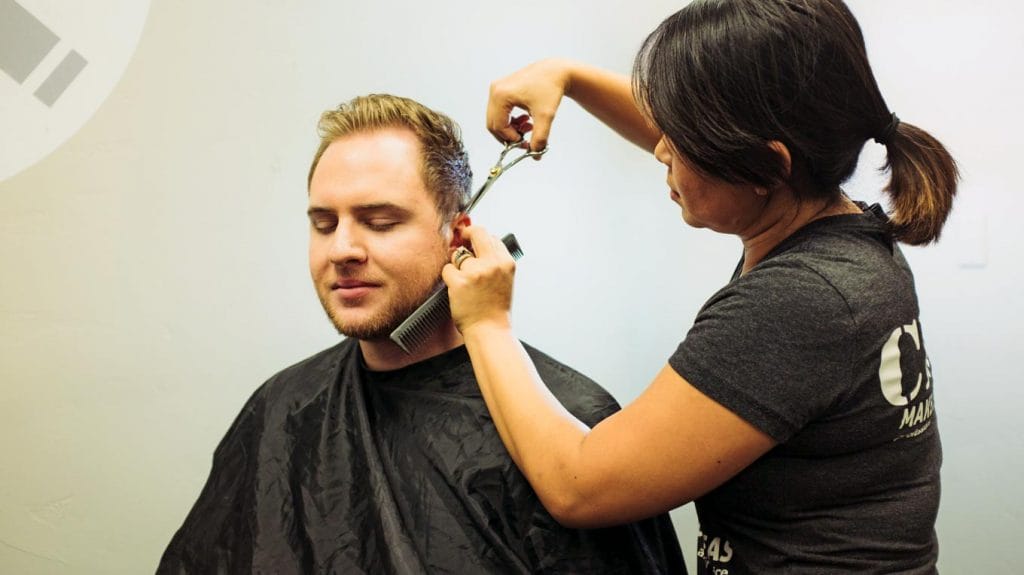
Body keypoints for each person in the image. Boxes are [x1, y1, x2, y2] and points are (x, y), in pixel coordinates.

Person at [443, 1, 957, 573]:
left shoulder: (801, 302)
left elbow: (579, 486)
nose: (661, 147)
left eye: (680, 137)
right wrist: (569, 77)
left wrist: (486, 323)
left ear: (766, 166)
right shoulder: (849, 239)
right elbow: (707, 151)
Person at [157, 94, 686, 574]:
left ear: (458, 235)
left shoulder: (573, 429)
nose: (342, 249)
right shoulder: (280, 409)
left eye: (380, 221)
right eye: (323, 224)